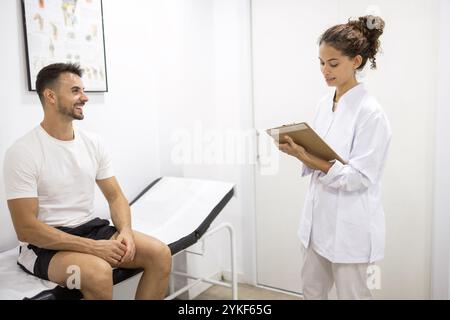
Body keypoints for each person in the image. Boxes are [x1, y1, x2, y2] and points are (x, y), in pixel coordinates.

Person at [3, 63, 172, 300]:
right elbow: (27, 229)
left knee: (160, 254)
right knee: (99, 272)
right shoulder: (23, 152)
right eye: (75, 91)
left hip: (91, 228)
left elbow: (115, 196)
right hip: (43, 246)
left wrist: (126, 232)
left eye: (83, 90)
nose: (84, 98)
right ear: (50, 96)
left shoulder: (93, 143)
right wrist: (94, 248)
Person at [277, 15, 391, 299]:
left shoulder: (371, 113)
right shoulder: (324, 104)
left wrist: (307, 156)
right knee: (312, 292)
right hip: (317, 222)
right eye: (321, 62)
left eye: (333, 63)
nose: (324, 71)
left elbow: (359, 178)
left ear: (356, 61)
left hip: (350, 229)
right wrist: (299, 151)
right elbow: (320, 157)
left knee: (352, 296)